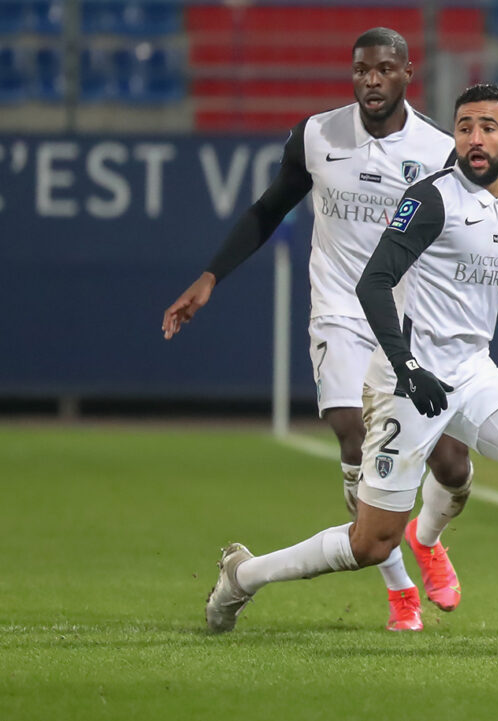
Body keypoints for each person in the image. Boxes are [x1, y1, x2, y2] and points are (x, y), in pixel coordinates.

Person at [201, 83, 498, 642]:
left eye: (487, 127)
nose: (474, 138)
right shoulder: (431, 197)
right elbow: (374, 281)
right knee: (371, 542)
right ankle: (243, 574)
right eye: (464, 126)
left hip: (472, 372)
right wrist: (406, 366)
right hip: (407, 379)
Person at [162, 28, 470, 633]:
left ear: (409, 73)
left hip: (408, 321)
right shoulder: (317, 135)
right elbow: (267, 208)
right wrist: (210, 277)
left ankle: (427, 537)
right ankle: (400, 589)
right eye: (361, 71)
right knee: (356, 441)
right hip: (340, 313)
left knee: (453, 465)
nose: (371, 81)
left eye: (384, 70)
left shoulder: (439, 149)